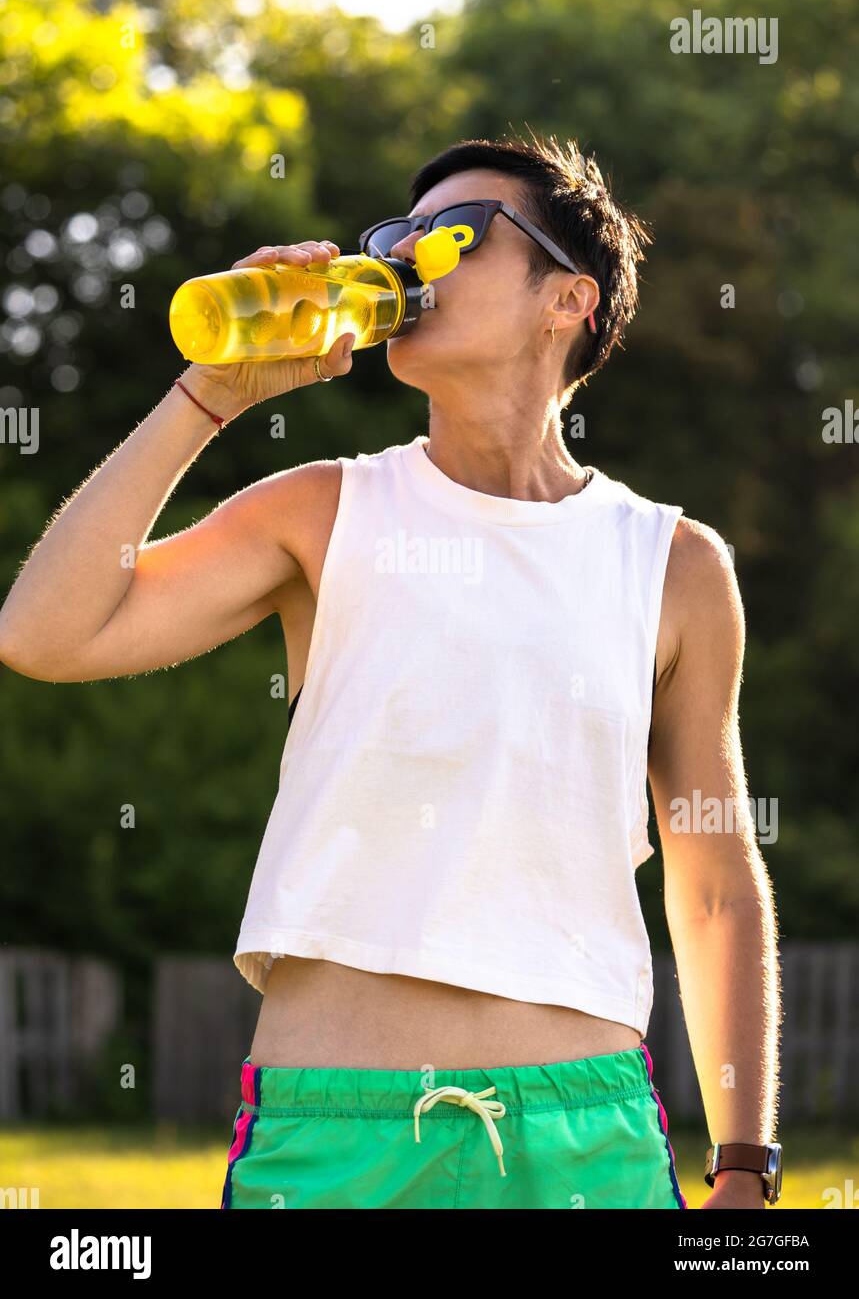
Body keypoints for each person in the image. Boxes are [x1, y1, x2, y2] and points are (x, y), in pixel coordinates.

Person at [0, 135, 780, 1210]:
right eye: (398, 237)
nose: (411, 259)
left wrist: (744, 1166)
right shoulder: (322, 510)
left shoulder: (675, 563)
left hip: (586, 1141)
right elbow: (44, 633)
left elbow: (715, 882)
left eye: (454, 235)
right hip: (334, 1138)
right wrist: (207, 396)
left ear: (568, 299)